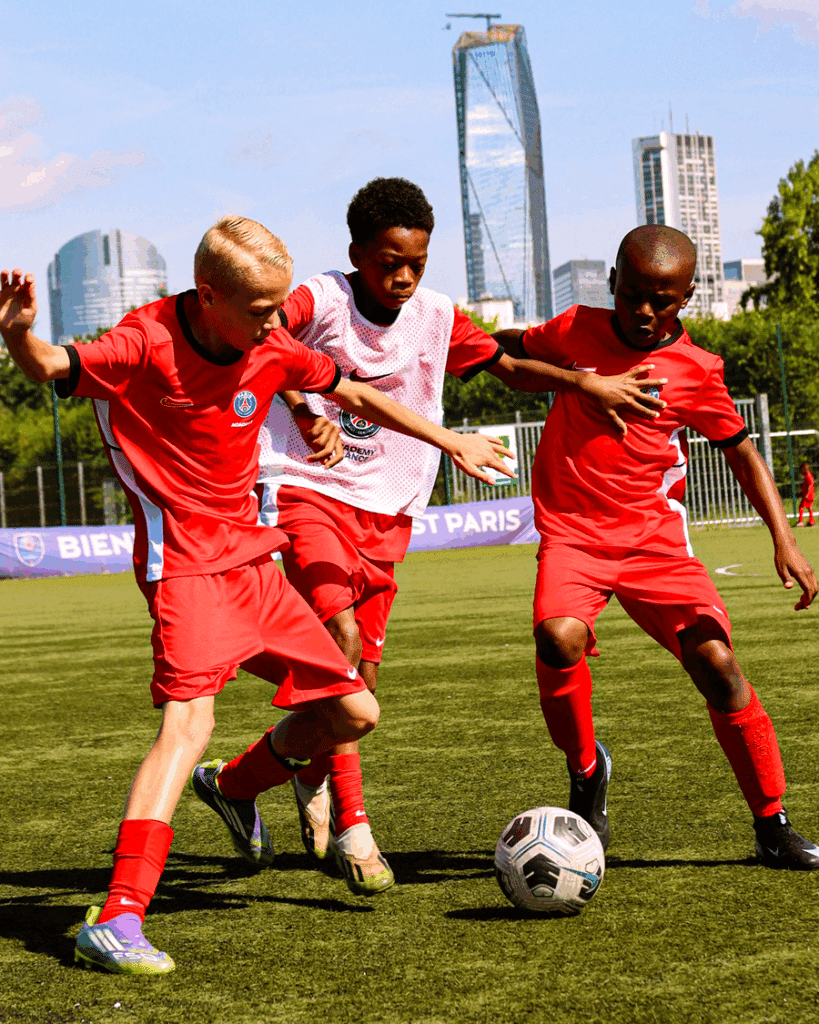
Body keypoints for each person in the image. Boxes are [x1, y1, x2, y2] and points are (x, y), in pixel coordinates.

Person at [0, 218, 515, 975]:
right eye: (260, 309)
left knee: (353, 710)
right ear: (208, 296)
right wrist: (17, 334)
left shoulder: (268, 343)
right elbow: (51, 366)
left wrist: (450, 442)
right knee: (188, 725)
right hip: (185, 566)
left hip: (253, 563)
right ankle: (116, 917)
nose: (276, 323)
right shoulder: (143, 341)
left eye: (280, 307)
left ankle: (235, 790)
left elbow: (353, 394)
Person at [212, 177, 669, 896]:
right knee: (342, 642)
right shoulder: (320, 300)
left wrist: (584, 385)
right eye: (388, 261)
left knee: (352, 687)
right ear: (357, 253)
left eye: (416, 263)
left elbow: (509, 366)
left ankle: (240, 782)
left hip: (389, 511)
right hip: (306, 491)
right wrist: (304, 410)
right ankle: (356, 828)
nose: (402, 277)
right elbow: (264, 332)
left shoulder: (433, 316)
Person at [494, 223, 819, 869]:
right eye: (632, 293)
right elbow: (504, 358)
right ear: (612, 283)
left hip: (653, 543)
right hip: (573, 536)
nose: (644, 311)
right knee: (557, 637)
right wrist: (541, 368)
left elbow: (741, 451)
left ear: (687, 298)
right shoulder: (572, 330)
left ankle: (771, 823)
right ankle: (586, 771)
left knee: (718, 666)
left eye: (662, 300)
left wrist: (783, 538)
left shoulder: (697, 371)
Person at [797, 461, 814, 527]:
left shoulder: (808, 476)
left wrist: (807, 494)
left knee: (801, 506)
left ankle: (801, 521)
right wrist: (801, 493)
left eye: (802, 469)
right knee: (809, 508)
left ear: (805, 469)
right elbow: (805, 486)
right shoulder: (807, 476)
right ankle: (811, 522)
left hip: (808, 495)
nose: (801, 471)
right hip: (808, 494)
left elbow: (810, 485)